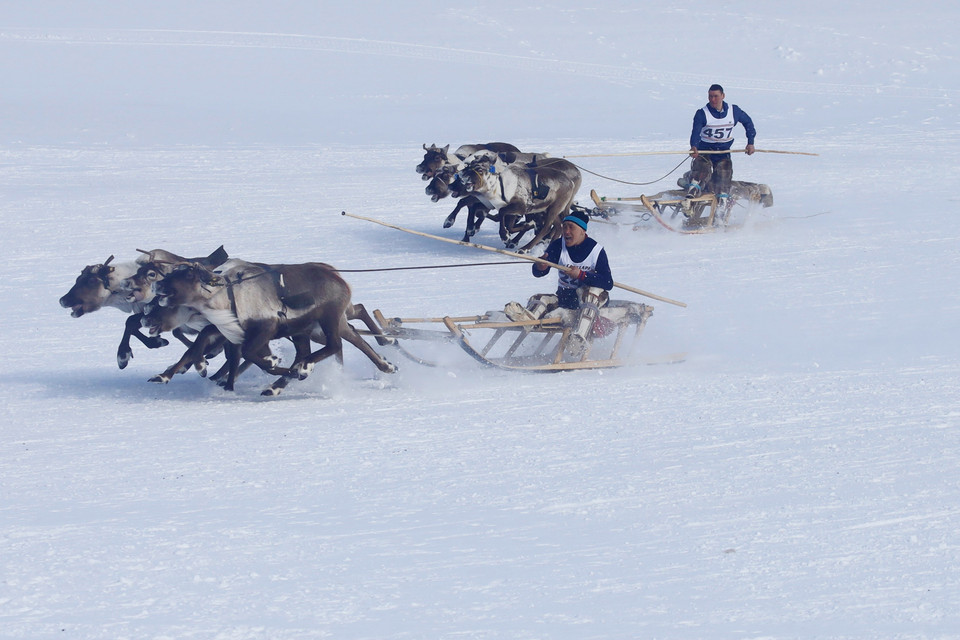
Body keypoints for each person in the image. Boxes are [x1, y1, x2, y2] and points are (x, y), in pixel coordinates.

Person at [503, 210, 614, 356]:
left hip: (591, 302)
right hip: (566, 299)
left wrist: (581, 275)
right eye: (564, 226)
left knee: (589, 291)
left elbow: (608, 282)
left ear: (582, 231)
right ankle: (528, 319)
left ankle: (579, 338)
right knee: (541, 298)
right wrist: (540, 266)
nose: (566, 231)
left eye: (571, 227)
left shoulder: (596, 250)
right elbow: (539, 272)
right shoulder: (557, 245)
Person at [685, 84, 756, 209]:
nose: (713, 100)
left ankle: (721, 207)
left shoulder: (734, 111)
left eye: (716, 96)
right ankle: (690, 200)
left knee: (724, 175)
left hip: (723, 152)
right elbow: (695, 132)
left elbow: (748, 122)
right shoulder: (702, 113)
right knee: (702, 171)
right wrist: (694, 146)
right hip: (705, 150)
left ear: (723, 96)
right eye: (710, 96)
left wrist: (750, 142)